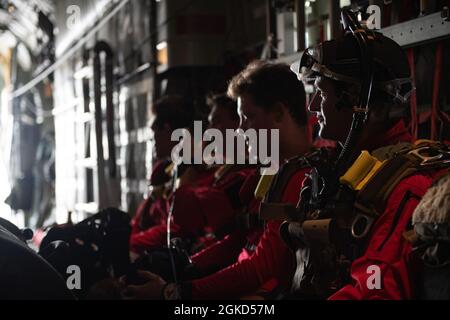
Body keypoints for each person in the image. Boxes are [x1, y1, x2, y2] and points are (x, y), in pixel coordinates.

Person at [285, 9, 450, 300]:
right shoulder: (343, 170)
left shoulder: (405, 186)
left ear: (358, 103)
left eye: (321, 94)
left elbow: (373, 290)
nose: (312, 107)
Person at [122, 61, 313, 299]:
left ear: (277, 113)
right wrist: (189, 267)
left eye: (248, 117)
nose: (241, 129)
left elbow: (261, 267)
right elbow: (242, 238)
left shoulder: (302, 178)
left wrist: (175, 293)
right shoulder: (274, 171)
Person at [130, 94, 257, 256]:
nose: (209, 131)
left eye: (216, 122)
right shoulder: (216, 169)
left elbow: (183, 215)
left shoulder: (241, 173)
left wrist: (189, 163)